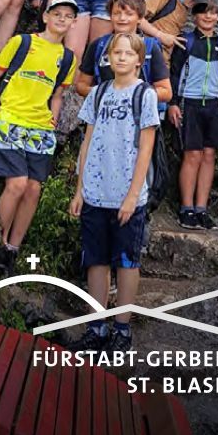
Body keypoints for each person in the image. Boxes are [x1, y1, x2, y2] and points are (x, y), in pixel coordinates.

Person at [69, 32, 160, 352]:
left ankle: (122, 328)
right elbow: (87, 141)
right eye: (115, 53)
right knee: (95, 261)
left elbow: (146, 147)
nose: (120, 58)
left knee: (126, 261)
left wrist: (133, 195)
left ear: (139, 60)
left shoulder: (145, 95)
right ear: (108, 57)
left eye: (127, 53)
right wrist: (80, 188)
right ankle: (96, 327)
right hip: (95, 190)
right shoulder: (98, 92)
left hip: (126, 194)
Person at [0, 0, 79, 275]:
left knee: (34, 188)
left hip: (40, 128)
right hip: (10, 119)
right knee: (17, 183)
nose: (62, 19)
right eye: (57, 13)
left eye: (68, 16)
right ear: (46, 16)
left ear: (74, 23)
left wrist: (53, 118)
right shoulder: (22, 42)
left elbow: (58, 94)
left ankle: (13, 249)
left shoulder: (68, 58)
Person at [168, 0, 218, 231]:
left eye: (212, 13)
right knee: (192, 155)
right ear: (194, 16)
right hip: (189, 102)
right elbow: (174, 73)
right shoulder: (187, 41)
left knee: (209, 155)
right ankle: (186, 208)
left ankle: (201, 208)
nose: (208, 17)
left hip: (214, 103)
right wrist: (172, 103)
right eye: (203, 13)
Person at [141, 0, 210, 65]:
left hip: (164, 63)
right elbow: (136, 18)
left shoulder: (186, 8)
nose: (195, 1)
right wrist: (160, 36)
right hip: (147, 58)